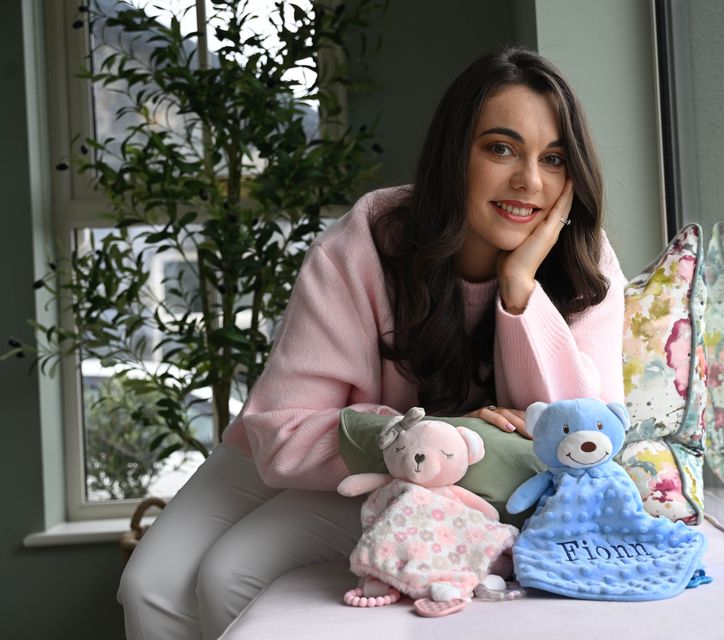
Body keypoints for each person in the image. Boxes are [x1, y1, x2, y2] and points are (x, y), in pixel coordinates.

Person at [117, 45, 627, 639]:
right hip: (332, 447)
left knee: (229, 573)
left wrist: (519, 292)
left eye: (555, 158)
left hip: (426, 480)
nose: (530, 180)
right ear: (453, 156)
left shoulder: (586, 267)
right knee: (148, 587)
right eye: (501, 148)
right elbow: (284, 432)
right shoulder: (371, 237)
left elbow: (577, 445)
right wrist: (449, 433)